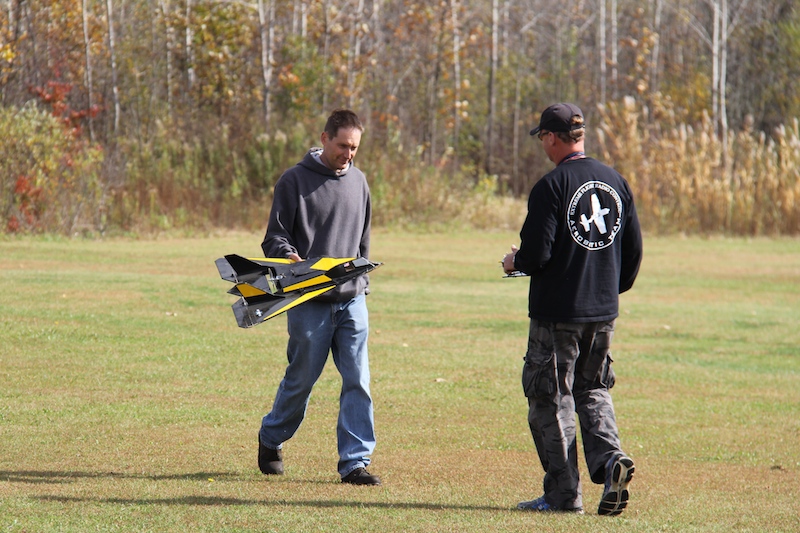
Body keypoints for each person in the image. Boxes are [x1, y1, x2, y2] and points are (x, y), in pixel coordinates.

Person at [502, 103, 643, 515]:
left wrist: (514, 262)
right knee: (593, 390)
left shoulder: (552, 186)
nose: (543, 145)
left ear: (551, 137)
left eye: (543, 138)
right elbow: (633, 252)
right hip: (602, 312)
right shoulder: (616, 181)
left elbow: (536, 254)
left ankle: (563, 496)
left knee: (551, 397)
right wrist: (607, 290)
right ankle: (611, 460)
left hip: (557, 314)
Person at [257, 109, 380, 485]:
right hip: (308, 300)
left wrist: (362, 283)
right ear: (325, 138)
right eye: (342, 145)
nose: (348, 154)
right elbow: (274, 237)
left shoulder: (359, 182)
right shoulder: (293, 180)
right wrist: (288, 256)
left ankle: (355, 462)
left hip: (352, 299)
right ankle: (271, 436)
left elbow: (363, 240)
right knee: (302, 378)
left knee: (358, 379)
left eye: (354, 147)